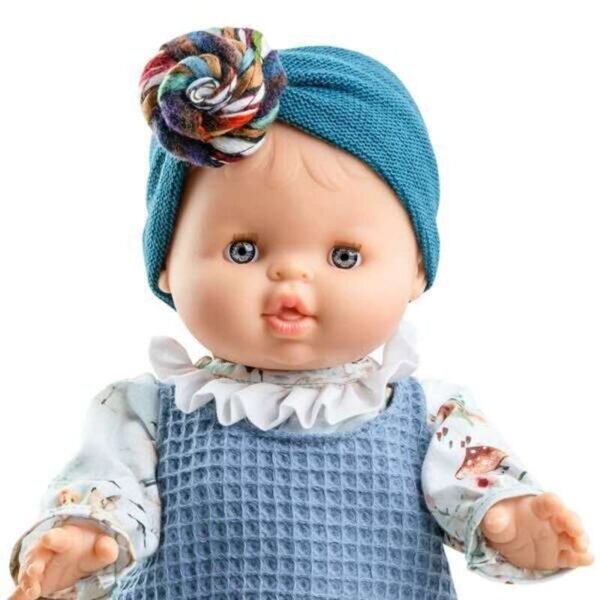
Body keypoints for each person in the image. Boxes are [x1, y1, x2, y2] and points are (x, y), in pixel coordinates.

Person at [9, 26, 592, 600]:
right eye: (243, 250)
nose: (292, 277)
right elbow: (105, 491)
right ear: (166, 265)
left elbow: (478, 486)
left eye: (344, 256)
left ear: (416, 271)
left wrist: (510, 519)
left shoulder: (431, 417)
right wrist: (86, 536)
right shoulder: (146, 413)